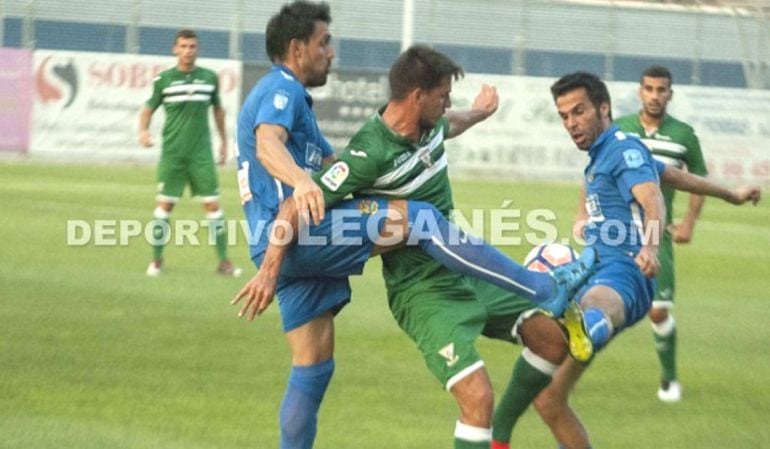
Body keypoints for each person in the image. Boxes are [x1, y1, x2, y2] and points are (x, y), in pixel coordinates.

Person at [234, 42, 596, 449]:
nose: (448, 103)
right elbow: (292, 207)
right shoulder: (367, 154)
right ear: (417, 96)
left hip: (465, 266)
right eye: (442, 95)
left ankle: (502, 434)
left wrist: (480, 112)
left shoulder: (430, 125)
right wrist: (268, 270)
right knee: (477, 397)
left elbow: (452, 123)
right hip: (423, 292)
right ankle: (546, 287)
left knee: (551, 341)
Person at [489, 160, 762, 449]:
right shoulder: (598, 158)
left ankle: (578, 329)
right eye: (566, 116)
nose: (572, 123)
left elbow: (670, 183)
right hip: (598, 278)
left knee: (551, 389)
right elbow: (597, 194)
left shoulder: (624, 150)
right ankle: (573, 328)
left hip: (619, 279)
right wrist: (582, 218)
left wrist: (652, 246)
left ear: (602, 111)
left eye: (577, 113)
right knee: (549, 399)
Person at [614, 65, 708, 402]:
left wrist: (689, 223)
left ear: (670, 94)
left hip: (657, 235)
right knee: (590, 302)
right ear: (640, 91)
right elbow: (595, 171)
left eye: (662, 89)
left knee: (658, 310)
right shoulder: (620, 129)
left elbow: (700, 179)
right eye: (649, 89)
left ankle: (669, 379)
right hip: (615, 233)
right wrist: (583, 212)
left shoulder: (683, 135)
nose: (655, 95)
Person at [138, 28, 239, 277]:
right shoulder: (164, 81)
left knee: (213, 206)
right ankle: (157, 260)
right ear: (175, 49)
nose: (188, 51)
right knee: (164, 207)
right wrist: (143, 131)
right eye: (183, 46)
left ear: (197, 49)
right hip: (173, 154)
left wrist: (224, 142)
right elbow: (148, 108)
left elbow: (218, 110)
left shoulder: (209, 78)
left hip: (201, 154)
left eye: (192, 46)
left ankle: (224, 262)